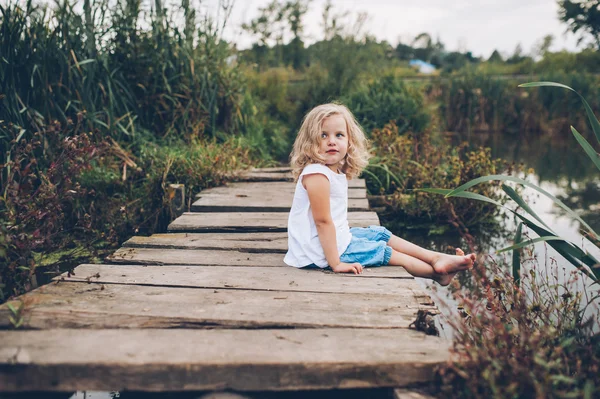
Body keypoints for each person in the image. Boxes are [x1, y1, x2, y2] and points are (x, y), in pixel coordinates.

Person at [283, 103, 475, 286]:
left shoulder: (331, 171)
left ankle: (435, 257)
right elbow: (322, 222)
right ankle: (436, 273)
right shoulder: (317, 175)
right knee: (379, 251)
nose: (332, 141)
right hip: (317, 252)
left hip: (330, 241)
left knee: (378, 233)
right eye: (323, 135)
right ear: (310, 142)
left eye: (339, 135)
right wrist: (336, 264)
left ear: (349, 141)